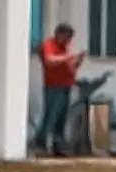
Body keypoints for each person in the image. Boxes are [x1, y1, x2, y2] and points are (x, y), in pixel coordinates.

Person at [35, 24, 82, 156]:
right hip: (53, 87)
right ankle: (41, 143)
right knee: (51, 115)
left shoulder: (64, 48)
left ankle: (58, 145)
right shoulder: (49, 45)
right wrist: (67, 57)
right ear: (60, 34)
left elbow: (70, 67)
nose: (69, 41)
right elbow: (50, 61)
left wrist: (77, 61)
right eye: (67, 37)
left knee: (61, 117)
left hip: (65, 86)